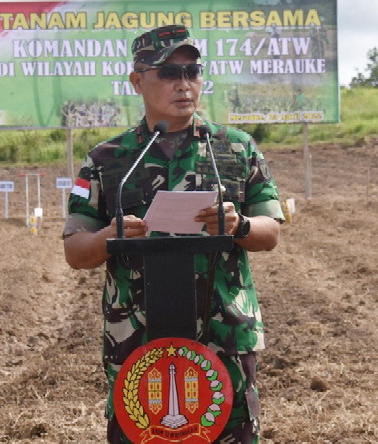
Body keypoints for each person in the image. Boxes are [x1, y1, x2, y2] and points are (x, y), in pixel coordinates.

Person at [62, 25, 283, 443]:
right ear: (137, 81)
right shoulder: (107, 159)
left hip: (223, 335)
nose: (184, 84)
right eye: (168, 73)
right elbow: (76, 251)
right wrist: (110, 235)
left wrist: (239, 226)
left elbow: (270, 232)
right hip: (139, 336)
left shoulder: (236, 148)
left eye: (192, 72)